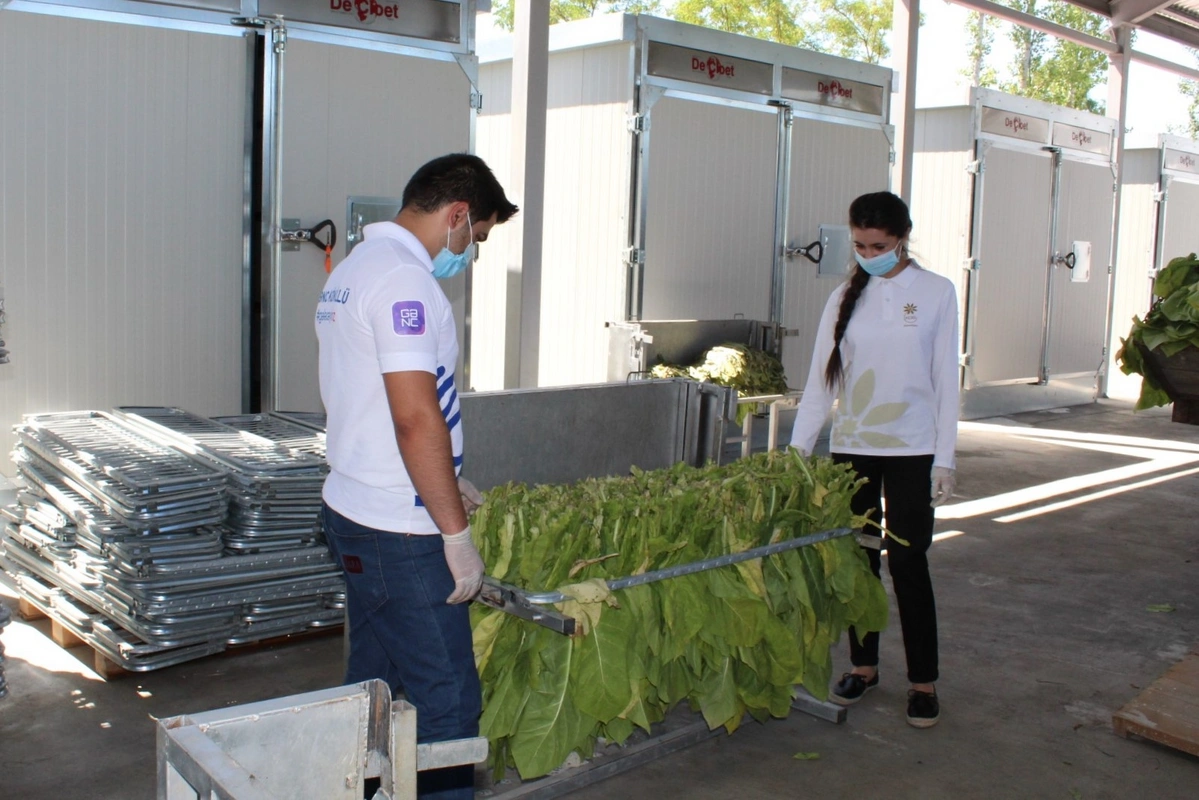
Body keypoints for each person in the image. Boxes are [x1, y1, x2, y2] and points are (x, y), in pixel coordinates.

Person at [316, 153, 518, 798]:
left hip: (353, 506)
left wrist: (441, 478)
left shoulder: (354, 270)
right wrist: (453, 532)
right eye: (476, 236)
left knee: (371, 686)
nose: (470, 251)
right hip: (397, 531)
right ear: (457, 214)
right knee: (448, 704)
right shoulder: (406, 282)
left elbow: (369, 404)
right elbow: (413, 417)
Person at [788, 191, 958, 729]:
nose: (867, 253)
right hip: (853, 449)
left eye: (878, 245)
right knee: (859, 564)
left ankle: (923, 681)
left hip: (912, 449)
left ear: (902, 238)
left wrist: (944, 459)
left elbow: (945, 382)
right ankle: (863, 667)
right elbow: (822, 381)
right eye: (859, 244)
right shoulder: (844, 295)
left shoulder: (935, 293)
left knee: (909, 563)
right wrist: (796, 454)